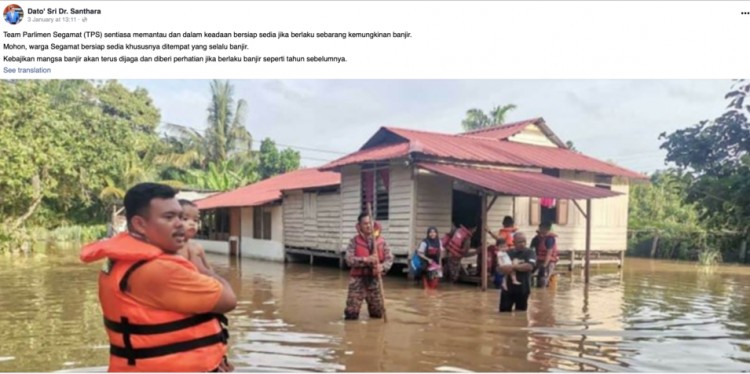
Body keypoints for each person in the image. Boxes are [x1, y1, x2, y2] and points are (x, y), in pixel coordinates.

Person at [79, 183, 237, 372]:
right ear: (139, 224)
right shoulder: (160, 270)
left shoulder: (121, 260)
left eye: (180, 216)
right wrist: (199, 266)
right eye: (169, 217)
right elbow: (228, 300)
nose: (180, 224)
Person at [344, 212, 394, 320]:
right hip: (357, 281)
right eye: (365, 223)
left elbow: (389, 259)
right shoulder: (354, 241)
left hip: (375, 281)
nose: (368, 226)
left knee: (377, 315)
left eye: (370, 223)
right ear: (360, 225)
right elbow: (348, 260)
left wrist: (383, 267)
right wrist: (365, 260)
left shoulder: (381, 241)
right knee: (351, 315)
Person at [498, 232, 537, 312]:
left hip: (523, 289)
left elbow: (529, 267)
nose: (522, 244)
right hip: (507, 289)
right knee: (504, 314)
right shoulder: (507, 253)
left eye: (524, 241)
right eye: (519, 242)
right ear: (513, 242)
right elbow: (500, 268)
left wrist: (513, 266)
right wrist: (504, 268)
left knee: (521, 315)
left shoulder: (530, 252)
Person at [177, 199, 213, 272]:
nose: (192, 223)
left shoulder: (197, 247)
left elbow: (208, 269)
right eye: (185, 219)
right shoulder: (169, 247)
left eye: (195, 220)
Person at [530, 221, 559, 288]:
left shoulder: (550, 239)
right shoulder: (536, 239)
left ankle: (542, 291)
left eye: (543, 228)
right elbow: (531, 250)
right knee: (529, 272)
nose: (540, 229)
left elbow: (549, 253)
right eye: (540, 228)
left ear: (547, 229)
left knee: (543, 277)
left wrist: (544, 265)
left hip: (548, 261)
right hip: (538, 260)